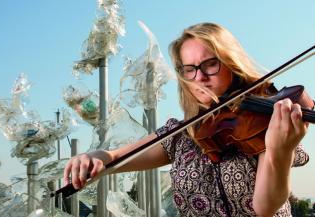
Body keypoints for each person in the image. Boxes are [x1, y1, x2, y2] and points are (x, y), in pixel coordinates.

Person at [63, 23, 309, 216]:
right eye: (189, 69)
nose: (199, 77)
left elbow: (266, 208)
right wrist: (95, 157)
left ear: (231, 63)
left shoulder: (266, 123)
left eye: (210, 64)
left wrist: (279, 150)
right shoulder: (184, 134)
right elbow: (115, 157)